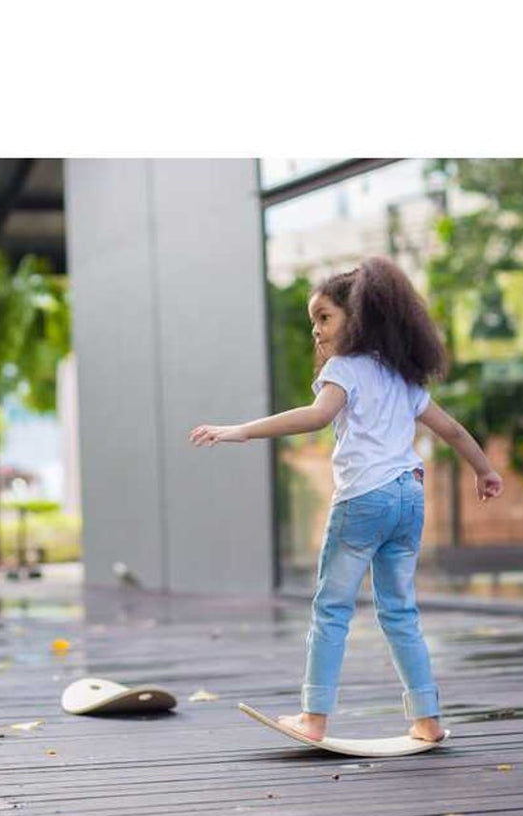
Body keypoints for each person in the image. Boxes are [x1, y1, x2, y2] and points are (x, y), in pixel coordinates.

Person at [189, 256, 503, 743]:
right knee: (400, 611)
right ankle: (428, 719)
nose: (316, 330)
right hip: (408, 499)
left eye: (324, 317)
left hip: (364, 500)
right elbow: (452, 430)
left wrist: (240, 431)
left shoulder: (345, 369)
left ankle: (313, 717)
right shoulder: (403, 376)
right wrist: (484, 470)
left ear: (357, 319)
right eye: (313, 320)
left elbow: (317, 417)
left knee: (331, 608)